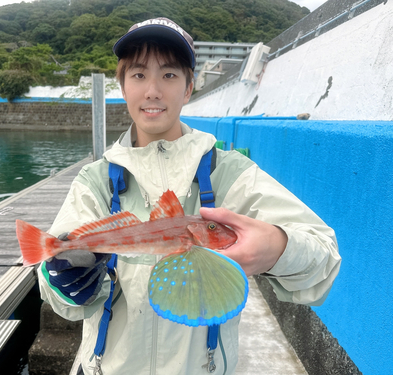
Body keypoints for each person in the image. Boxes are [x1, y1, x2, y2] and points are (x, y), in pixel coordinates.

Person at [38, 17, 341, 375]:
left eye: (169, 75)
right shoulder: (96, 179)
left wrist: (277, 247)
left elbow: (323, 259)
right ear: (122, 86)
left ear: (188, 87)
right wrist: (63, 276)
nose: (152, 90)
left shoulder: (228, 172)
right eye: (138, 75)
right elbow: (61, 295)